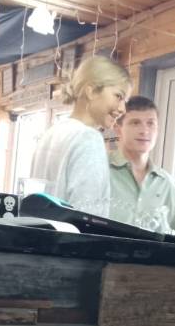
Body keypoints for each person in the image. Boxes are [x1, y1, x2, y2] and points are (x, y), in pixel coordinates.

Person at [29, 56, 130, 217]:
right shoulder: (89, 138)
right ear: (91, 91)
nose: (123, 108)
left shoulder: (50, 134)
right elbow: (87, 217)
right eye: (118, 96)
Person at [109, 96, 175, 235]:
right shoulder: (101, 170)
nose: (144, 131)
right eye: (135, 123)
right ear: (118, 129)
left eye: (150, 123)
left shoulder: (167, 184)